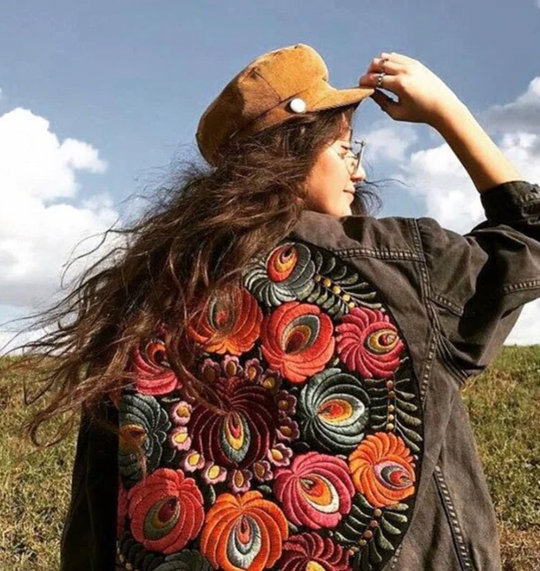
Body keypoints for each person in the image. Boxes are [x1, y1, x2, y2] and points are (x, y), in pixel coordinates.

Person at [7, 43, 539, 571]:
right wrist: (447, 111)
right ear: (294, 150)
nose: (357, 172)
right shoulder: (403, 267)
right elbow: (528, 238)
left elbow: (98, 516)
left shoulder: (146, 299)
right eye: (344, 149)